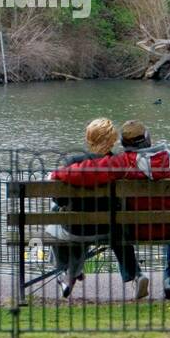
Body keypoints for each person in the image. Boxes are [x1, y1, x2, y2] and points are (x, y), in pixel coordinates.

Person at [50, 119, 170, 300]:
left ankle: (70, 273)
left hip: (136, 229)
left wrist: (56, 174)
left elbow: (88, 172)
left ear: (123, 143)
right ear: (148, 139)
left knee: (107, 226)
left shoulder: (125, 162)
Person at [46, 118, 121, 298]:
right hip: (109, 228)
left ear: (89, 140)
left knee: (55, 219)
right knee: (71, 218)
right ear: (113, 140)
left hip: (76, 229)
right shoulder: (120, 163)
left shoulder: (73, 161)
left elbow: (61, 200)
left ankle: (65, 272)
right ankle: (73, 272)